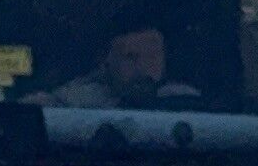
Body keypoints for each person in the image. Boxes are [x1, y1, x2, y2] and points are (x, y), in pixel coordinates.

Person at [46, 24, 201, 109]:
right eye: (130, 57)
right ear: (105, 62)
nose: (143, 68)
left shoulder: (186, 101)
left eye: (152, 57)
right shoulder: (73, 102)